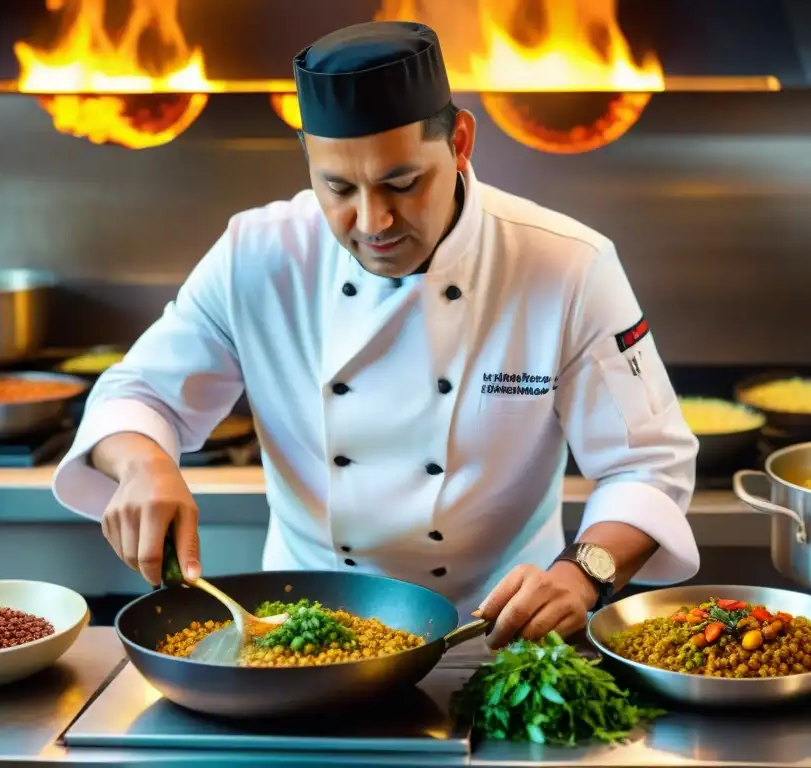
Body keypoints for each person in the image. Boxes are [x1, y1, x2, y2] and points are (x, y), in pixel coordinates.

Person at [51, 20, 700, 649]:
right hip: (299, 635)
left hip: (496, 638)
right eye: (338, 188)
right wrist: (144, 464)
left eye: (402, 183)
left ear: (461, 143)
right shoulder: (259, 253)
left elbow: (646, 463)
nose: (373, 220)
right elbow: (138, 396)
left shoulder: (567, 263)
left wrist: (579, 574)